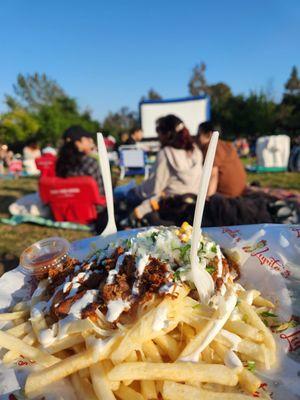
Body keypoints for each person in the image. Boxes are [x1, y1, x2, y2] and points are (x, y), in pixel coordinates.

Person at [119, 115, 203, 222]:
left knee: (123, 193)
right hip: (192, 200)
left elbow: (154, 187)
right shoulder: (196, 151)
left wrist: (136, 190)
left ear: (167, 134)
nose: (158, 137)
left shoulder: (166, 154)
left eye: (159, 133)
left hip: (170, 202)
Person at [197, 122, 247, 198]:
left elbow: (213, 176)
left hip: (227, 194)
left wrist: (208, 199)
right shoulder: (225, 144)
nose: (197, 138)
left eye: (199, 134)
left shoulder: (212, 147)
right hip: (240, 190)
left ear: (209, 134)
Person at [56, 125, 103, 193]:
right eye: (87, 138)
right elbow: (100, 191)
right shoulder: (90, 162)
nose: (90, 140)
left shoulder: (60, 163)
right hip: (89, 202)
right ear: (78, 143)